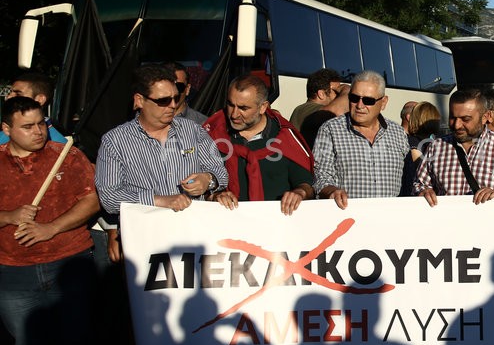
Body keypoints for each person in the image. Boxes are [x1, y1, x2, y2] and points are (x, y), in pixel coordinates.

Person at [0, 96, 100, 345]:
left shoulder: (67, 155)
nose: (38, 132)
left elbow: (93, 200)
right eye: (27, 126)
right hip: (13, 272)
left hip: (69, 263)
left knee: (77, 342)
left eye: (42, 123)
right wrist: (9, 216)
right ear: (6, 129)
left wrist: (51, 228)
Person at [95, 64, 227, 260]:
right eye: (163, 100)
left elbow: (221, 174)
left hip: (195, 236)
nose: (173, 105)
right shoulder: (114, 141)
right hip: (145, 240)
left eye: (176, 97)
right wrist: (160, 200)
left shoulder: (194, 130)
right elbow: (109, 197)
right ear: (139, 100)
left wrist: (208, 179)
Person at [203, 74, 314, 215]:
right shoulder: (211, 133)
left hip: (277, 225)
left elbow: (307, 184)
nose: (234, 114)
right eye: (231, 105)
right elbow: (199, 183)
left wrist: (299, 193)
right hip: (226, 227)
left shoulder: (285, 138)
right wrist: (214, 196)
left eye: (243, 108)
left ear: (263, 107)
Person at [414, 89, 494, 206]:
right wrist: (423, 192)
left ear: (485, 117)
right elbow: (419, 184)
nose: (457, 125)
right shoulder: (436, 147)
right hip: (448, 227)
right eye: (453, 118)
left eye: (466, 119)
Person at [313, 70, 409, 209]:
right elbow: (320, 176)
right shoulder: (330, 130)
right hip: (349, 220)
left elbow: (409, 177)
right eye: (354, 98)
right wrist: (332, 192)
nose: (359, 105)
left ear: (383, 102)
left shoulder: (398, 133)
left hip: (390, 220)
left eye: (368, 100)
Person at [0, 71, 67, 145]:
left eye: (18, 94)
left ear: (40, 99)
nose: (8, 97)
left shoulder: (59, 146)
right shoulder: (3, 136)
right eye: (27, 127)